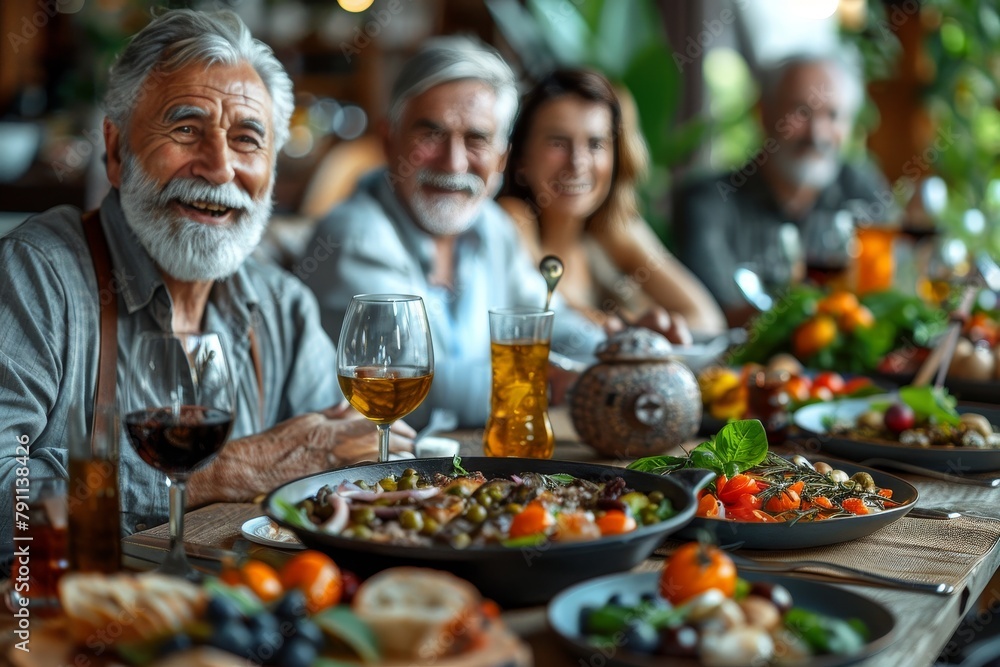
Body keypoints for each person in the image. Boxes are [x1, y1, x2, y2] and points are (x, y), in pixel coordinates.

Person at [0, 9, 414, 562]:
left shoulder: (279, 304)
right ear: (118, 151)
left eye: (247, 139)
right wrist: (220, 472)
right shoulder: (40, 274)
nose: (219, 168)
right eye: (186, 129)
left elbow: (340, 460)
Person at [300, 37, 607, 430]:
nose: (454, 161)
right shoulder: (354, 235)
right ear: (388, 140)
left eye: (477, 139)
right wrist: (553, 381)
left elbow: (548, 322)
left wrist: (622, 351)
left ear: (501, 159)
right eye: (430, 135)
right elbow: (412, 389)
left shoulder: (491, 226)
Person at [497, 68, 726, 338]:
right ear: (521, 160)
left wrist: (635, 331)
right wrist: (627, 329)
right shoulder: (513, 217)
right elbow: (543, 306)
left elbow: (708, 319)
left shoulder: (610, 234)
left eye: (595, 144)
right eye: (558, 143)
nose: (577, 163)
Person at [673, 53, 892, 326]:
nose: (818, 134)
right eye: (801, 112)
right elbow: (719, 313)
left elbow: (886, 298)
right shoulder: (709, 201)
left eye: (833, 115)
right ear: (763, 113)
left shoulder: (862, 189)